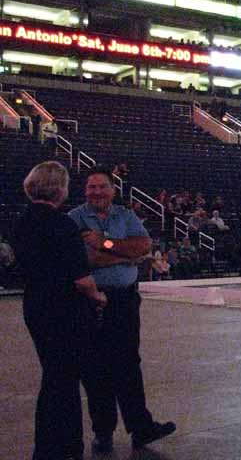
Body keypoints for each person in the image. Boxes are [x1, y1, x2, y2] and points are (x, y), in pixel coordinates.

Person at [68, 168, 175, 454]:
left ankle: (141, 428)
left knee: (128, 363)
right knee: (95, 369)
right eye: (92, 187)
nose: (97, 192)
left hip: (125, 301)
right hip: (89, 303)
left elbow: (142, 245)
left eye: (102, 186)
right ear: (85, 190)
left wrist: (105, 244)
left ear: (113, 190)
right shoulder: (74, 218)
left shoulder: (125, 215)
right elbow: (82, 260)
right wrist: (124, 256)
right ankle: (103, 432)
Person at [11, 161, 107, 460]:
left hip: (36, 305)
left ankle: (48, 448)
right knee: (63, 382)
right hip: (64, 310)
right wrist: (98, 296)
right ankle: (66, 448)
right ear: (59, 188)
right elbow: (81, 278)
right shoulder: (62, 224)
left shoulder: (21, 221)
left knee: (54, 378)